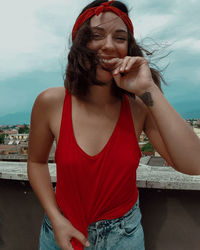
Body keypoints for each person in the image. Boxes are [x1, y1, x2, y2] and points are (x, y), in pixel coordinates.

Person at [27, 0, 200, 250]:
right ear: (79, 44)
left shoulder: (139, 107)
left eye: (120, 38)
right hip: (59, 232)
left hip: (123, 238)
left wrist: (149, 88)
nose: (108, 45)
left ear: (129, 48)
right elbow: (36, 162)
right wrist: (55, 218)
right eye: (96, 35)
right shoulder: (51, 102)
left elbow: (194, 164)